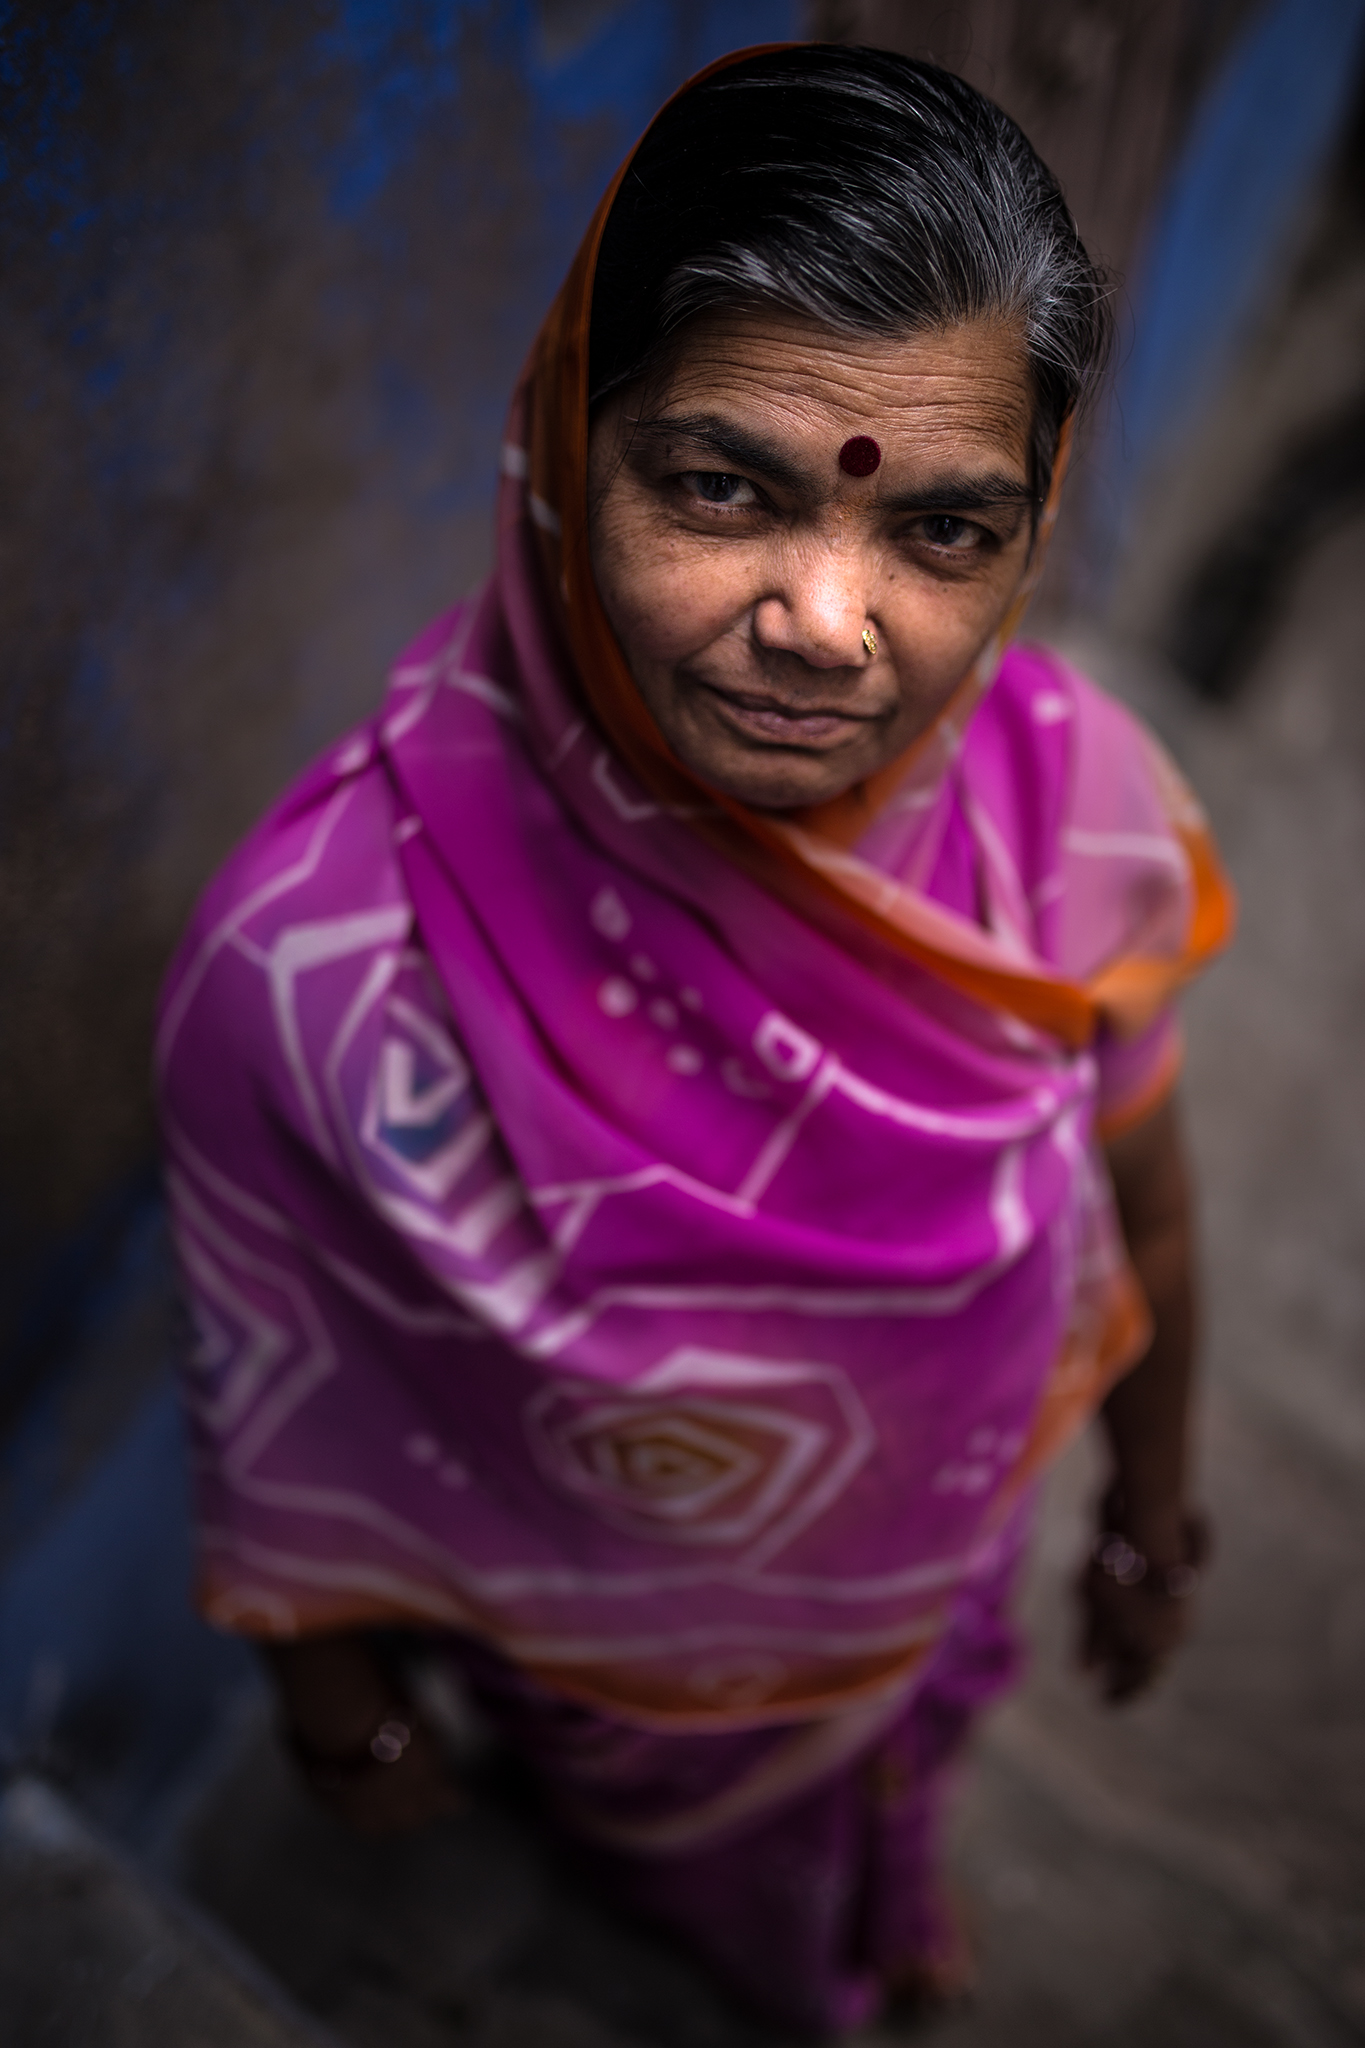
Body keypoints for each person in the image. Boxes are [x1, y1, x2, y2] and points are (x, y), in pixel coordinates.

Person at [157, 44, 1232, 2035]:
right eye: (720, 486)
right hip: (620, 1702)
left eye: (939, 530)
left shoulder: (1064, 812)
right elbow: (268, 1382)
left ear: (1031, 519)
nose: (824, 619)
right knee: (720, 1913)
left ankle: (892, 1887)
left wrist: (1149, 1520)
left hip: (943, 1569)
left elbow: (1146, 1214)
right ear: (571, 437)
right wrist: (334, 1710)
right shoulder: (311, 972)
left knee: (909, 1768)